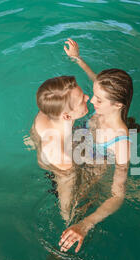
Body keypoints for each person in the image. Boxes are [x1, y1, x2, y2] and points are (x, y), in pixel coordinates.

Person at [59, 38, 140, 253]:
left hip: (95, 166)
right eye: (94, 95)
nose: (90, 101)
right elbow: (95, 80)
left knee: (70, 212)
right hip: (80, 142)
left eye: (98, 100)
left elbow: (117, 195)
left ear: (118, 105)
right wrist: (78, 58)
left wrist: (85, 225)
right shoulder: (104, 99)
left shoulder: (121, 143)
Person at [30, 75, 89, 222]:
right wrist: (69, 221)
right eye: (82, 100)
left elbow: (33, 135)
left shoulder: (46, 112)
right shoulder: (63, 156)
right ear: (67, 116)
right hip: (59, 170)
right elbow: (66, 198)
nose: (88, 98)